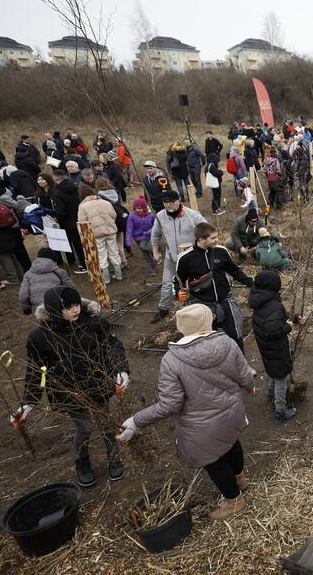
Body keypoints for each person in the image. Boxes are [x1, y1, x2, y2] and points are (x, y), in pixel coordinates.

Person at [117, 303, 256, 519]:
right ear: (208, 321)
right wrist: (249, 386)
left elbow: (170, 404)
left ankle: (235, 501)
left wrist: (136, 420)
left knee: (213, 459)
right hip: (232, 412)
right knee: (230, 442)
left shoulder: (172, 360)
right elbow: (246, 376)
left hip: (202, 426)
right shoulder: (227, 342)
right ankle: (240, 479)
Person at [14, 286, 129, 487]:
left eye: (76, 304)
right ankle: (82, 463)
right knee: (84, 428)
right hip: (69, 392)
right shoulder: (40, 337)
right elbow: (37, 371)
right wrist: (29, 402)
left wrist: (120, 370)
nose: (75, 310)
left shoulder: (94, 324)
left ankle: (114, 458)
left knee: (106, 424)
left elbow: (113, 346)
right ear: (54, 310)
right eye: (67, 307)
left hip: (97, 384)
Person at [175, 222, 253, 348]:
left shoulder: (221, 251)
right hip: (202, 305)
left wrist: (250, 282)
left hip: (225, 299)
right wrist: (178, 292)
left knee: (236, 334)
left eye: (217, 236)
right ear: (201, 239)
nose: (217, 240)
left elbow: (234, 270)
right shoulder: (185, 258)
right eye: (213, 238)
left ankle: (239, 361)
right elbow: (177, 280)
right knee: (208, 340)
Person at [249, 270, 302, 422]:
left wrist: (295, 318)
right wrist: (289, 326)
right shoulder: (273, 305)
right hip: (276, 349)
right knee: (280, 377)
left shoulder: (260, 300)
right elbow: (274, 329)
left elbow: (275, 319)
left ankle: (270, 393)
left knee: (272, 371)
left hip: (266, 348)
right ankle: (281, 411)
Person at [150, 190, 207, 324]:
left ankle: (198, 307)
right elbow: (155, 234)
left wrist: (202, 245)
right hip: (171, 256)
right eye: (165, 202)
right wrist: (155, 250)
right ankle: (163, 309)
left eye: (171, 202)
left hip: (190, 258)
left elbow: (206, 229)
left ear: (179, 200)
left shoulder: (191, 215)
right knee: (166, 283)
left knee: (194, 283)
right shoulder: (160, 216)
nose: (168, 205)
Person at [77, 183, 123, 284]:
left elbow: (82, 223)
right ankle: (119, 275)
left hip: (96, 234)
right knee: (114, 252)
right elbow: (114, 215)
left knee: (101, 256)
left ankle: (106, 279)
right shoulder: (105, 202)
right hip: (110, 231)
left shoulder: (82, 206)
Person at [19, 248, 78, 314]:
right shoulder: (60, 272)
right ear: (54, 260)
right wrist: (77, 301)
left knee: (45, 322)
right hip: (58, 306)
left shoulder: (28, 274)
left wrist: (26, 308)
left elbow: (23, 294)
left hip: (39, 309)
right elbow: (72, 289)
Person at [52, 169, 88, 274]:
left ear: (55, 179)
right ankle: (87, 261)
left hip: (68, 222)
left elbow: (61, 211)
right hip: (80, 217)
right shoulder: (76, 187)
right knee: (82, 243)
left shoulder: (58, 193)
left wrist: (58, 220)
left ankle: (83, 265)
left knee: (75, 245)